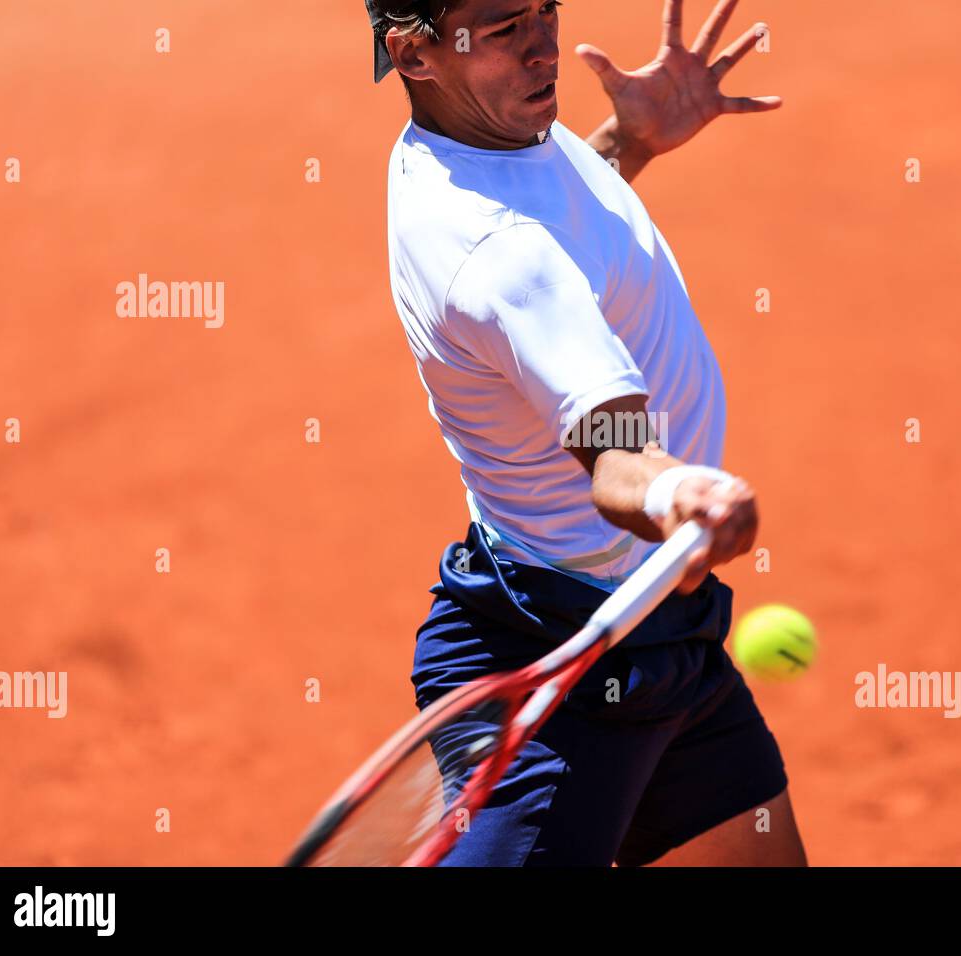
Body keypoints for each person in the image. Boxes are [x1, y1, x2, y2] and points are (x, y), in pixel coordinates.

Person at [367, 0, 806, 865]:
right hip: (559, 674)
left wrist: (626, 144)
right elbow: (613, 458)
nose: (542, 46)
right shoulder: (497, 254)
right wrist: (680, 490)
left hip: (654, 627)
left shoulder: (474, 144)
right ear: (414, 53)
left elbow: (557, 250)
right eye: (503, 29)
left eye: (546, 10)